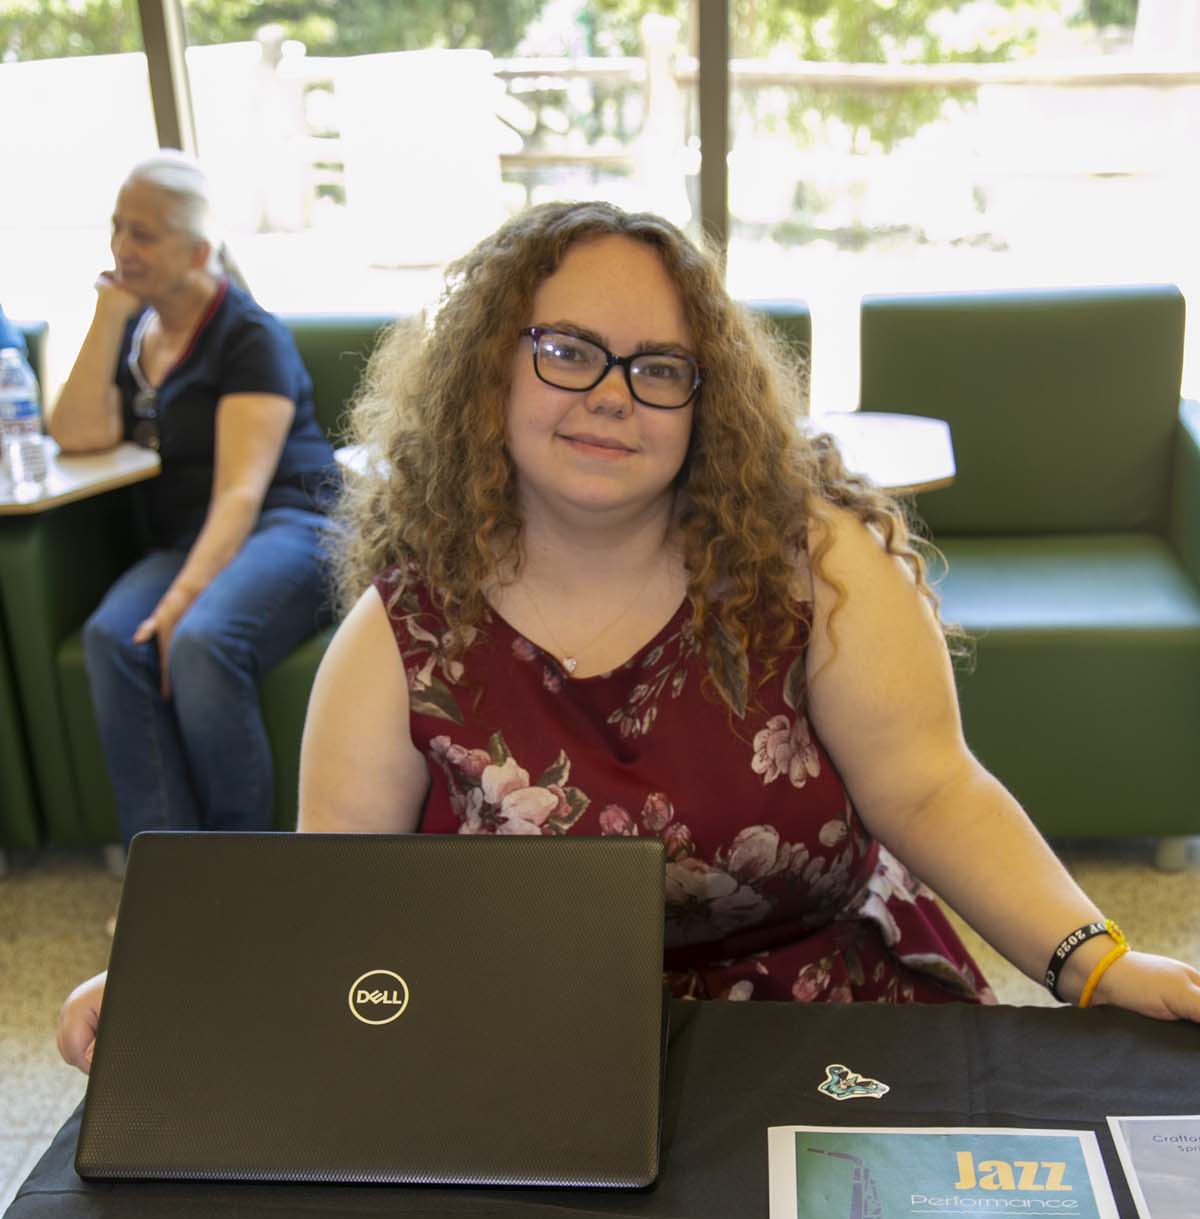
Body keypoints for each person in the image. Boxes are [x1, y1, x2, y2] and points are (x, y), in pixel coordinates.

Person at [57, 200, 1200, 1070]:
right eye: (567, 350)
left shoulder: (814, 560)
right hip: (526, 1052)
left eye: (658, 369)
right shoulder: (399, 634)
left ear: (706, 403)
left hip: (831, 1029)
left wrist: (1093, 960)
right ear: (489, 374)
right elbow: (340, 896)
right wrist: (190, 980)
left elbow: (933, 790)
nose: (612, 395)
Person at [48, 151, 338, 848]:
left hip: (290, 523)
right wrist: (107, 314)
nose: (122, 247)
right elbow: (76, 433)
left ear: (200, 251)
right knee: (111, 638)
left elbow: (240, 492)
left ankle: (239, 867)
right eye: (117, 227)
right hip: (190, 537)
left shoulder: (249, 336)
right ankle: (169, 864)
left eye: (144, 235)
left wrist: (181, 602)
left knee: (204, 641)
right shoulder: (135, 329)